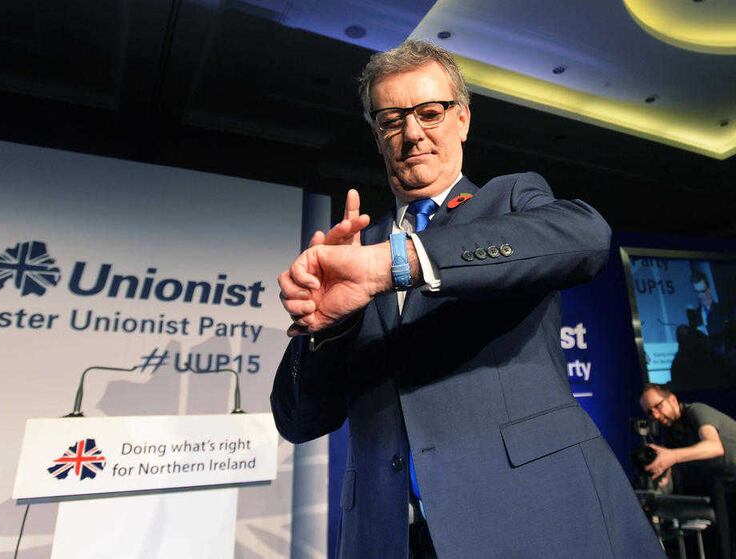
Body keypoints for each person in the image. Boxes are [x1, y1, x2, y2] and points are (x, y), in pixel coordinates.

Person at [271, 40, 663, 558]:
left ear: (463, 119)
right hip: (390, 539)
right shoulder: (354, 257)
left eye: (430, 113)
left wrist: (400, 262)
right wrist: (330, 328)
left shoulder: (511, 202)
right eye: (391, 120)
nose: (412, 133)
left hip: (534, 521)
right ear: (377, 135)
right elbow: (298, 423)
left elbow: (587, 238)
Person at [640, 383, 736, 558]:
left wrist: (673, 456)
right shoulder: (670, 433)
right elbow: (668, 475)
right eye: (649, 412)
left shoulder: (696, 411)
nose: (655, 414)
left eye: (658, 406)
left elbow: (715, 447)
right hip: (726, 485)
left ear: (673, 400)